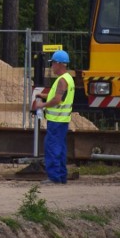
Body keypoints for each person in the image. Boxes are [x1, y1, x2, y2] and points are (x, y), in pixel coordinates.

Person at [35, 49, 75, 184]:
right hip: (63, 120)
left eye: (52, 63)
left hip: (56, 120)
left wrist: (43, 105)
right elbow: (59, 96)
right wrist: (45, 95)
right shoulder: (68, 79)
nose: (51, 66)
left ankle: (54, 177)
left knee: (52, 147)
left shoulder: (61, 81)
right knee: (60, 148)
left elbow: (57, 100)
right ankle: (61, 176)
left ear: (59, 64)